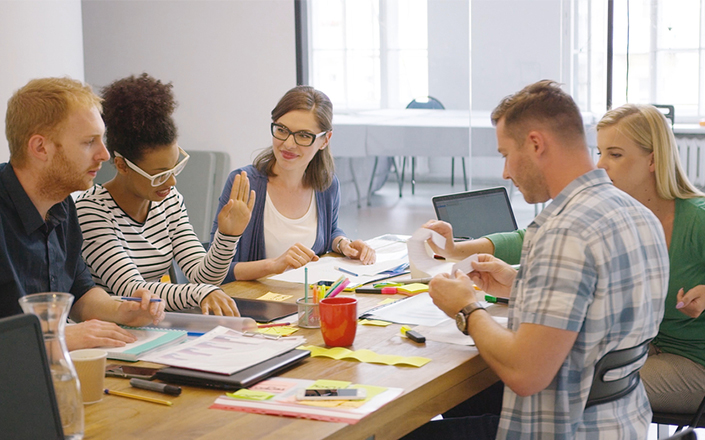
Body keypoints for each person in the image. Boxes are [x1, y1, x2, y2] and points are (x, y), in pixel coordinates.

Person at [406, 81, 669, 439]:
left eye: (505, 154)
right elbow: (598, 310)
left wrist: (466, 308)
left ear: (535, 144)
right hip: (621, 421)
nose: (505, 172)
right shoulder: (637, 214)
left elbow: (526, 375)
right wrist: (520, 287)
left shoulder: (565, 231)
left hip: (564, 427)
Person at [1, 77, 165, 351]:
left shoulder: (62, 204)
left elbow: (80, 291)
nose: (104, 154)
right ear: (40, 147)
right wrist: (58, 338)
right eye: (89, 142)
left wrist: (122, 310)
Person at [76, 74, 254, 316]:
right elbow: (132, 289)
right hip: (111, 330)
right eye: (159, 174)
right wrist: (199, 292)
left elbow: (203, 276)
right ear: (122, 165)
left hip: (150, 324)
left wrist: (227, 236)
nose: (172, 181)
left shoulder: (168, 201)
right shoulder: (91, 212)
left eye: (175, 168)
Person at [211, 85, 375, 282]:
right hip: (253, 306)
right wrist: (273, 266)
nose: (288, 144)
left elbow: (330, 231)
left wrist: (342, 244)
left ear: (325, 140)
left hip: (307, 301)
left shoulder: (327, 185)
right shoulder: (244, 183)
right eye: (282, 130)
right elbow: (216, 270)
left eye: (304, 135)